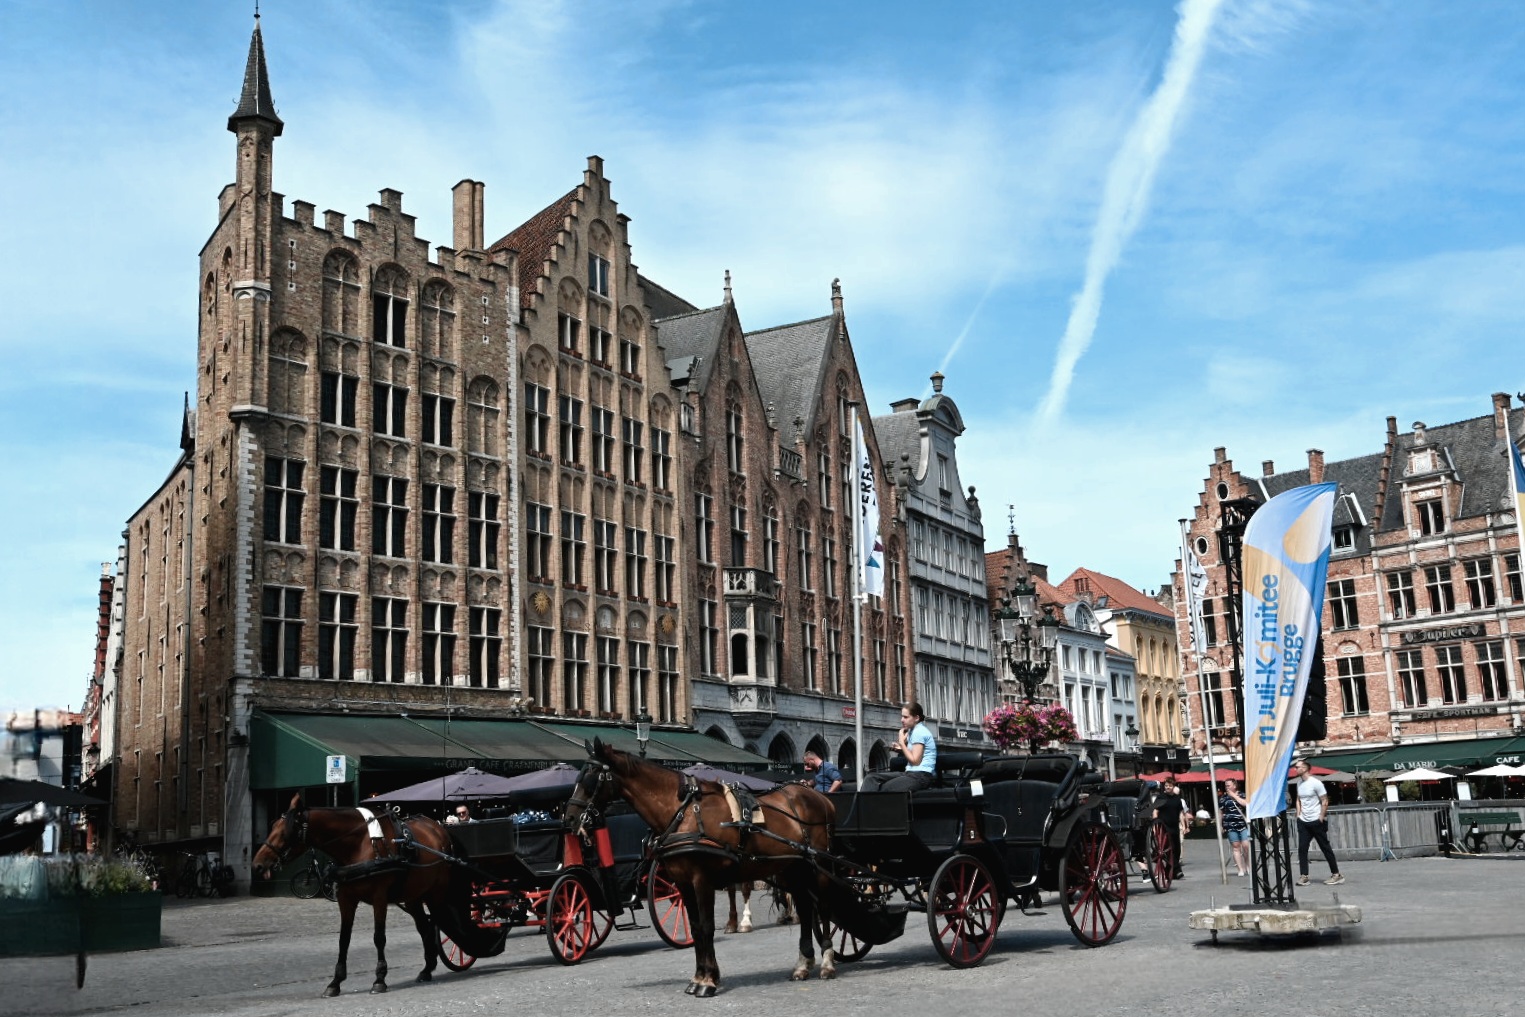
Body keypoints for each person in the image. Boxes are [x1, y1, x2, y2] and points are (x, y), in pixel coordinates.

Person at [860, 703, 938, 792]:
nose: (902, 720)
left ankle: (867, 804)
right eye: (902, 717)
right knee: (871, 778)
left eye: (905, 717)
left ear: (916, 718)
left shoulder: (919, 732)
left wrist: (902, 743)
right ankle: (863, 804)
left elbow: (915, 761)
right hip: (910, 773)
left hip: (920, 776)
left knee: (885, 789)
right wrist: (901, 749)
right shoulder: (913, 731)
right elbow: (915, 753)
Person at [1292, 758, 1343, 885]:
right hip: (1303, 821)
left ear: (1304, 768)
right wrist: (1298, 815)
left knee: (1325, 847)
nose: (1295, 769)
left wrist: (1321, 816)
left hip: (1316, 820)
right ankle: (1304, 876)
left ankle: (1336, 874)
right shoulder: (1299, 783)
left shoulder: (1316, 783)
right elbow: (1298, 800)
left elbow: (1324, 800)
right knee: (1302, 849)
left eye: (1297, 767)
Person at [1152, 779, 1186, 878]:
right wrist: (1155, 825)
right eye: (1166, 786)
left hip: (1175, 826)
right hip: (1164, 826)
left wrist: (1183, 825)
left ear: (1173, 787)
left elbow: (1180, 813)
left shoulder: (1177, 799)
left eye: (1170, 786)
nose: (1167, 787)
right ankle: (1177, 870)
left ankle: (1169, 871)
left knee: (1177, 850)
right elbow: (1155, 811)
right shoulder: (1161, 797)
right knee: (1169, 849)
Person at [1219, 778, 1250, 876]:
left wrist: (1234, 796)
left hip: (1243, 824)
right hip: (1230, 825)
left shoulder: (1243, 795)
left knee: (1246, 845)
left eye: (1228, 785)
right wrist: (1220, 825)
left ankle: (1248, 865)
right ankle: (1240, 869)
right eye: (1226, 785)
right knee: (1236, 847)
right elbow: (1221, 812)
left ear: (1235, 786)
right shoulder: (1223, 798)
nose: (1226, 787)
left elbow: (1246, 804)